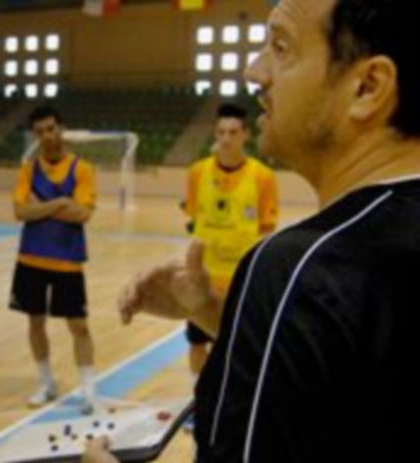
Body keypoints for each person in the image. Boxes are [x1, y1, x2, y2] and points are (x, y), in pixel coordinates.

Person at [89, 0, 420, 461]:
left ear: (367, 87)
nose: (253, 71)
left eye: (281, 46)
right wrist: (216, 312)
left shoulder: (298, 268)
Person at [181, 103, 278, 430]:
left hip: (241, 281)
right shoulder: (197, 172)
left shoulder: (263, 177)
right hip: (203, 280)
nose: (226, 139)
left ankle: (234, 410)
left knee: (239, 349)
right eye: (221, 132)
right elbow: (194, 218)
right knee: (197, 344)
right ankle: (199, 404)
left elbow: (267, 230)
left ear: (246, 135)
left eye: (233, 133)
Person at [10, 105, 98, 414]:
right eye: (40, 131)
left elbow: (83, 214)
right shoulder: (28, 169)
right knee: (35, 323)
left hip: (68, 261)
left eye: (51, 129)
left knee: (79, 326)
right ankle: (46, 382)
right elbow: (20, 212)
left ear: (61, 129)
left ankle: (88, 390)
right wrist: (62, 202)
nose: (46, 136)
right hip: (31, 259)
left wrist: (42, 205)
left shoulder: (82, 169)